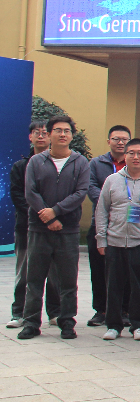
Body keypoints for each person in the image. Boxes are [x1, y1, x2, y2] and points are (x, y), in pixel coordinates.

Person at [18, 116, 90, 340]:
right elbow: (30, 192)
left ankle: (67, 321)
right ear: (49, 134)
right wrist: (48, 218)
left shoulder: (80, 162)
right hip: (39, 229)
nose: (62, 134)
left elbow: (81, 193)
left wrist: (56, 211)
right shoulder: (36, 162)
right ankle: (31, 323)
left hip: (68, 230)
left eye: (67, 131)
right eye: (58, 130)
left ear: (72, 135)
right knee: (34, 279)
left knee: (68, 280)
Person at [94, 138, 140, 341]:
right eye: (131, 153)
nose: (136, 157)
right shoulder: (112, 180)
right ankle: (113, 324)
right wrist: (101, 239)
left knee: (139, 285)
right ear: (125, 156)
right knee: (113, 285)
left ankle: (138, 324)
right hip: (114, 241)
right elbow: (102, 210)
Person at [8, 120, 59, 329]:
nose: (41, 136)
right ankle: (19, 312)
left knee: (55, 273)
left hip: (55, 225)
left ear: (51, 136)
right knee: (24, 272)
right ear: (30, 137)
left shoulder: (59, 164)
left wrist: (53, 215)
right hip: (27, 227)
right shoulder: (20, 166)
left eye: (45, 133)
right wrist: (41, 214)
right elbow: (18, 196)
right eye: (36, 133)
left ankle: (55, 313)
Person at [86, 125, 131, 327]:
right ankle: (101, 310)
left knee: (126, 270)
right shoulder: (96, 164)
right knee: (99, 268)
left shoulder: (134, 162)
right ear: (108, 141)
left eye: (124, 139)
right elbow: (90, 187)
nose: (120, 143)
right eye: (116, 139)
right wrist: (110, 202)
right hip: (101, 223)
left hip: (126, 225)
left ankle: (125, 309)